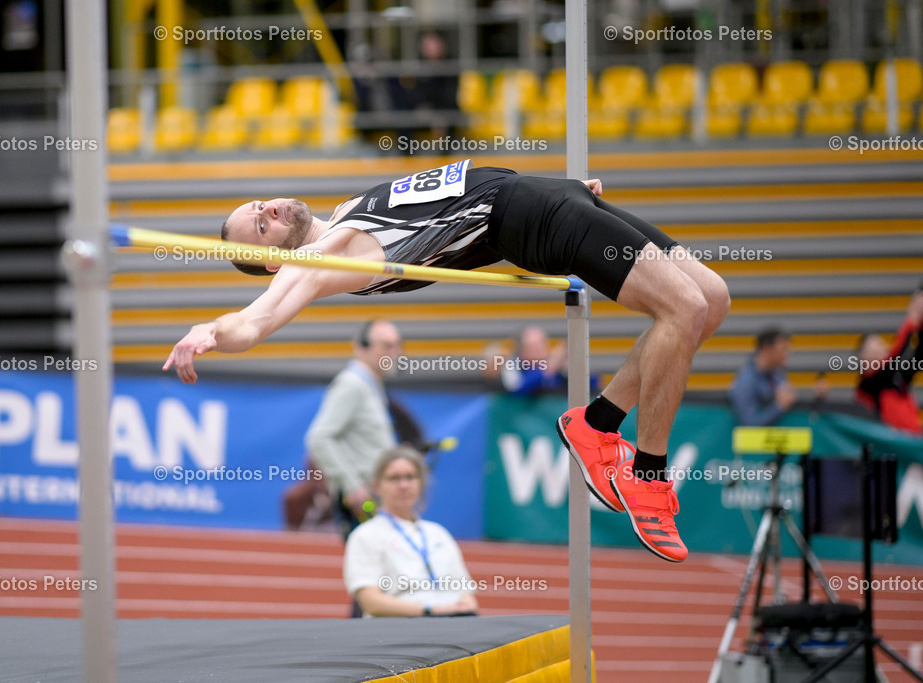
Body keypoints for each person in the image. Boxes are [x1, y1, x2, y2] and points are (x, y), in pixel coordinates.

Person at [164, 162, 732, 562]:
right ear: (271, 262)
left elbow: (445, 209)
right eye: (261, 226)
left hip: (542, 194)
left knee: (711, 301)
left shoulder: (341, 218)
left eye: (258, 207)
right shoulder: (313, 263)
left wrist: (563, 196)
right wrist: (210, 329)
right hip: (532, 214)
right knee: (681, 310)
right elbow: (254, 323)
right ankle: (649, 477)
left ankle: (597, 423)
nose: (268, 209)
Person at [343, 446, 478, 618]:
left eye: (410, 477)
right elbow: (371, 602)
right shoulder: (365, 535)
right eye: (394, 478)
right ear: (376, 486)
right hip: (402, 631)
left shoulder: (439, 533)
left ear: (420, 483)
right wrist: (430, 610)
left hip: (452, 624)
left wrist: (462, 608)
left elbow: (466, 594)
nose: (404, 485)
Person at [305, 319, 402, 539]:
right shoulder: (352, 385)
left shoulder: (370, 384)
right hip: (363, 499)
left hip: (374, 494)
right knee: (369, 566)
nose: (395, 352)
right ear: (363, 347)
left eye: (396, 345)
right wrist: (352, 487)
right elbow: (319, 438)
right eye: (386, 346)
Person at [855, 289, 923, 436]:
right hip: (887, 446)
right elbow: (895, 358)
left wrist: (920, 323)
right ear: (863, 360)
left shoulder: (894, 379)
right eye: (875, 350)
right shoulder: (868, 385)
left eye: (882, 347)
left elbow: (918, 357)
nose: (882, 351)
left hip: (912, 440)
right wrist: (912, 318)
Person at [728, 328, 797, 427]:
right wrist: (779, 407)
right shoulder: (746, 381)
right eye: (783, 349)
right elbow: (748, 424)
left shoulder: (778, 375)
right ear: (766, 348)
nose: (787, 354)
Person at [500, 326, 567, 396]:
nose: (539, 349)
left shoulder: (557, 364)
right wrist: (548, 369)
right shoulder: (512, 365)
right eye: (533, 346)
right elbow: (517, 388)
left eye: (541, 344)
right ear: (522, 349)